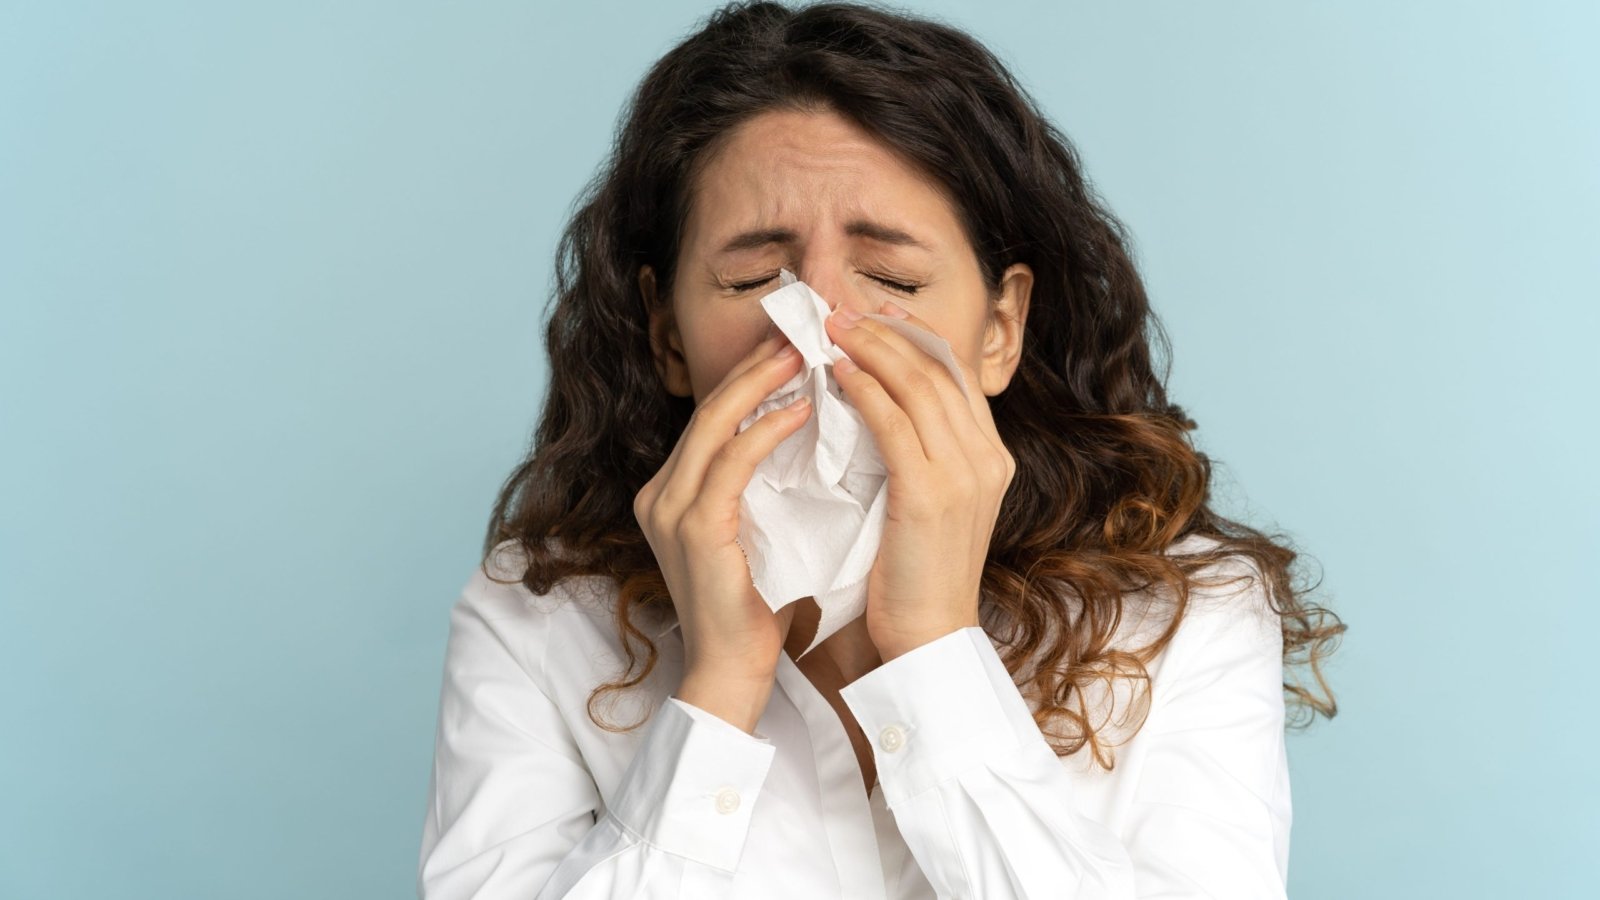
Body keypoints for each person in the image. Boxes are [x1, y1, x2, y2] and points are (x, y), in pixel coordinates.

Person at [416, 2, 1344, 897]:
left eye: (892, 276)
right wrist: (716, 695)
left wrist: (936, 652)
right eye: (753, 279)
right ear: (668, 338)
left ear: (1000, 327)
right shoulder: (537, 620)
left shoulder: (1189, 618)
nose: (820, 328)